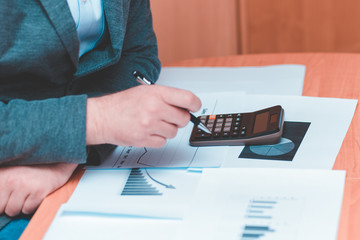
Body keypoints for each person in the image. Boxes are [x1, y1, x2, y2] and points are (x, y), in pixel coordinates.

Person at [0, 0, 201, 237]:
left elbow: (137, 53)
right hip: (11, 183)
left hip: (64, 173)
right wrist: (97, 120)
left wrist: (65, 157)